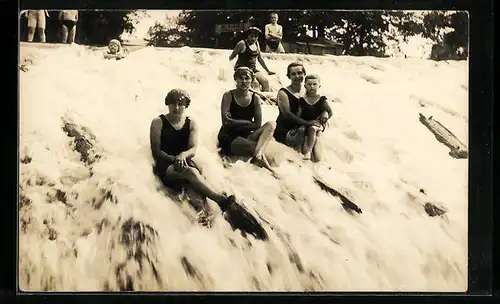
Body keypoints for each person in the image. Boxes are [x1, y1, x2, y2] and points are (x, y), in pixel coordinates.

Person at [150, 89, 237, 214]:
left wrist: (183, 155)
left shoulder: (191, 123)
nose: (176, 107)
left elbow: (193, 149)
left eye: (181, 104)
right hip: (165, 164)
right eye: (173, 104)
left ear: (186, 106)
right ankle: (221, 200)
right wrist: (175, 159)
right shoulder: (158, 122)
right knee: (191, 172)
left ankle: (209, 214)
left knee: (197, 176)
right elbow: (156, 151)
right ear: (167, 104)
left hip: (184, 161)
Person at [217, 67, 277, 174]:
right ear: (235, 79)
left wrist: (235, 121)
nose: (244, 81)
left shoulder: (255, 98)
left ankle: (258, 156)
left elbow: (258, 124)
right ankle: (271, 171)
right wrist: (248, 122)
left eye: (247, 78)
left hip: (246, 134)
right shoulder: (228, 96)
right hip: (229, 136)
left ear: (252, 80)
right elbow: (226, 122)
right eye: (241, 78)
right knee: (259, 149)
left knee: (271, 124)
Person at [274, 62, 319, 150]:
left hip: (303, 126)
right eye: (293, 74)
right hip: (285, 129)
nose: (297, 76)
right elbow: (287, 115)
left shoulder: (308, 90)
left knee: (317, 133)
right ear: (289, 76)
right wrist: (307, 123)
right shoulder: (283, 92)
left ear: (304, 74)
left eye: (299, 73)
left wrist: (324, 114)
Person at [296, 74, 333, 161]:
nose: (312, 87)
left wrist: (324, 117)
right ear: (305, 86)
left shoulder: (322, 100)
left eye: (314, 84)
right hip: (306, 122)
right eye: (309, 84)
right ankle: (298, 148)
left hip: (318, 123)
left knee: (312, 129)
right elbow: (299, 114)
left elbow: (330, 112)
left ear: (319, 86)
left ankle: (308, 151)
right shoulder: (302, 100)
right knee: (301, 129)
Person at [229, 27, 275, 92]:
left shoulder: (257, 43)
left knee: (265, 81)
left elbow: (260, 59)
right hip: (242, 68)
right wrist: (232, 69)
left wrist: (268, 71)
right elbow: (231, 57)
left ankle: (265, 99)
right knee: (255, 83)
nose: (253, 38)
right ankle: (255, 100)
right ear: (248, 35)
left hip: (252, 69)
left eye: (255, 37)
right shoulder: (242, 44)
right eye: (251, 36)